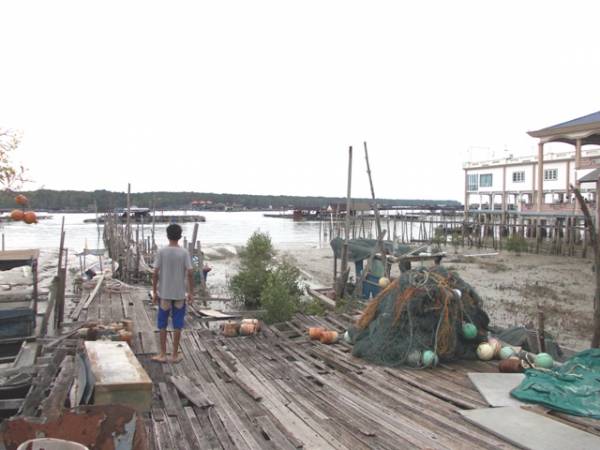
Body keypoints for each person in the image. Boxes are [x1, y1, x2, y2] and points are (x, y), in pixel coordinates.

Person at [151, 223, 194, 363]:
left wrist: (154, 291)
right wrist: (191, 292)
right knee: (177, 324)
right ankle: (174, 355)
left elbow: (155, 272)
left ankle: (163, 354)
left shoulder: (162, 252)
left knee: (162, 324)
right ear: (180, 236)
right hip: (180, 293)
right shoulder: (184, 252)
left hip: (164, 293)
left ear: (167, 235)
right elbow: (190, 272)